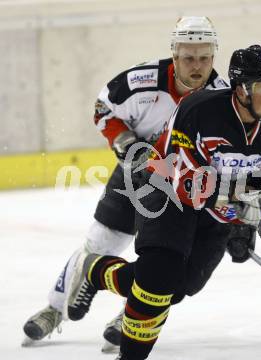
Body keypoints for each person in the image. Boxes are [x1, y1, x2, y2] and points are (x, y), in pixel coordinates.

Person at [68, 44, 261, 360]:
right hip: (165, 191)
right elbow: (184, 180)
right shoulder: (199, 112)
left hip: (214, 205)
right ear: (241, 89)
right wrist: (241, 209)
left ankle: (94, 270)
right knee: (157, 283)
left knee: (180, 288)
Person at [22, 16, 230, 348]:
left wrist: (234, 217)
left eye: (204, 58)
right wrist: (128, 146)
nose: (197, 66)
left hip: (184, 189)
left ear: (213, 57)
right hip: (136, 174)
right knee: (99, 242)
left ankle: (130, 315)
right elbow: (104, 107)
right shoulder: (141, 81)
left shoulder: (223, 98)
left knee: (167, 263)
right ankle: (54, 309)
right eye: (188, 57)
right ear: (174, 55)